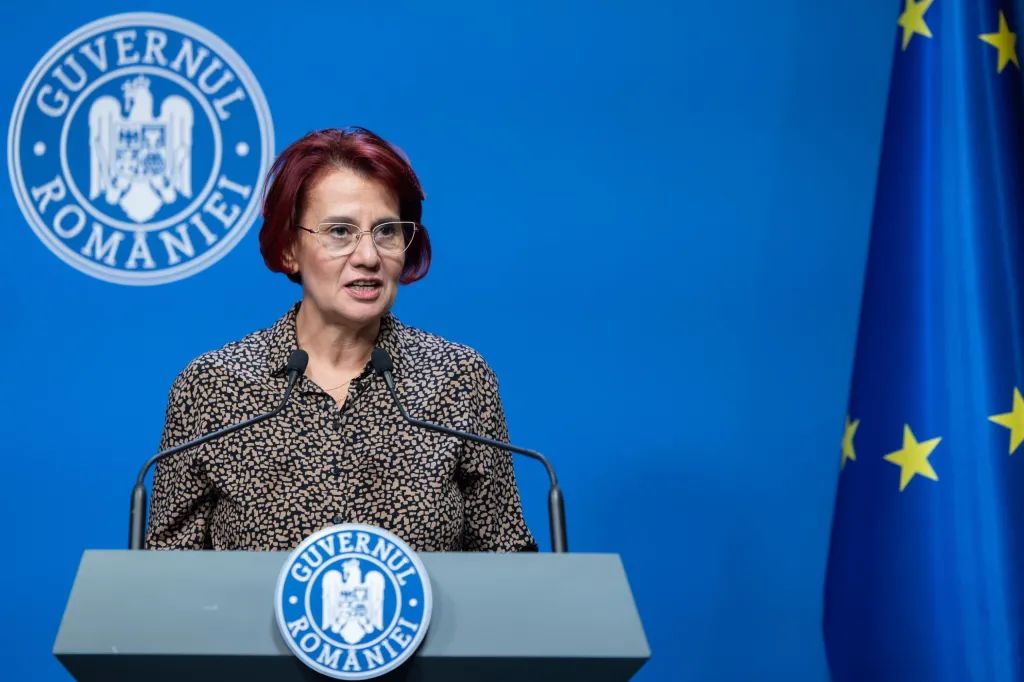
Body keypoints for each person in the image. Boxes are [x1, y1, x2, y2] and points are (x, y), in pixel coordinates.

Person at [146, 127, 536, 552]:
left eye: (386, 231)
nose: (368, 256)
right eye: (339, 232)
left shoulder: (458, 379)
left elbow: (507, 561)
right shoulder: (212, 387)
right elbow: (167, 571)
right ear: (289, 248)